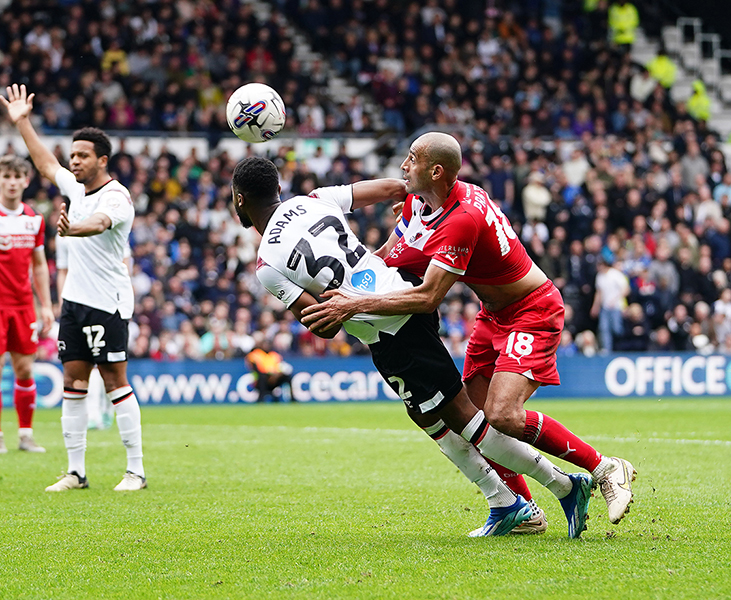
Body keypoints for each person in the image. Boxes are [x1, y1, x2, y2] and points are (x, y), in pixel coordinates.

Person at [232, 156, 594, 538]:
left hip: (390, 324)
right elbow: (394, 187)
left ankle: (564, 487)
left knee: (467, 422)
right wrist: (413, 199)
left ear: (240, 200)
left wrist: (336, 302)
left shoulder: (268, 264)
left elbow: (323, 323)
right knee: (428, 417)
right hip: (396, 298)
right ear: (277, 188)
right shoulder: (316, 198)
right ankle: (503, 502)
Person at [301, 132, 636, 526]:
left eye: (412, 159)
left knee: (502, 415)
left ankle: (605, 468)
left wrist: (354, 304)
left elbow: (428, 298)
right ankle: (523, 510)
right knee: (471, 420)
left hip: (532, 309)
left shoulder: (462, 219)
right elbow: (388, 258)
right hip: (492, 315)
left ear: (436, 170)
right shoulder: (419, 201)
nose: (404, 166)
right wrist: (339, 278)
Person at [2, 83, 146, 492]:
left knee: (116, 381)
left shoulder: (117, 197)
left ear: (103, 159)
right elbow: (46, 165)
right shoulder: (73, 188)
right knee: (73, 384)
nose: (74, 161)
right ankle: (76, 472)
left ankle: (135, 470)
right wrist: (23, 122)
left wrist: (72, 229)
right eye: (73, 155)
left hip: (109, 304)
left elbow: (98, 224)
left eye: (82, 156)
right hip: (75, 304)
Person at [0, 155, 54, 454]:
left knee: (23, 370)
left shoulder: (33, 219)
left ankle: (25, 434)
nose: (11, 182)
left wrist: (45, 305)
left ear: (25, 181)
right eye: (5, 176)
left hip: (23, 307)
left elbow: (39, 265)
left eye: (16, 177)